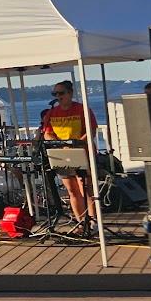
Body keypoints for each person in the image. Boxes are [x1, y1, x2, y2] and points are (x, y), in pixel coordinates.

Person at [42, 80, 100, 233]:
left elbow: (91, 131)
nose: (58, 96)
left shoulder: (82, 109)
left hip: (83, 152)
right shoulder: (52, 113)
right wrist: (59, 145)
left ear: (70, 93)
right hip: (62, 154)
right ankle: (80, 222)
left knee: (86, 188)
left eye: (61, 93)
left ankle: (93, 222)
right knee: (72, 190)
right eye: (55, 94)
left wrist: (76, 144)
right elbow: (47, 133)